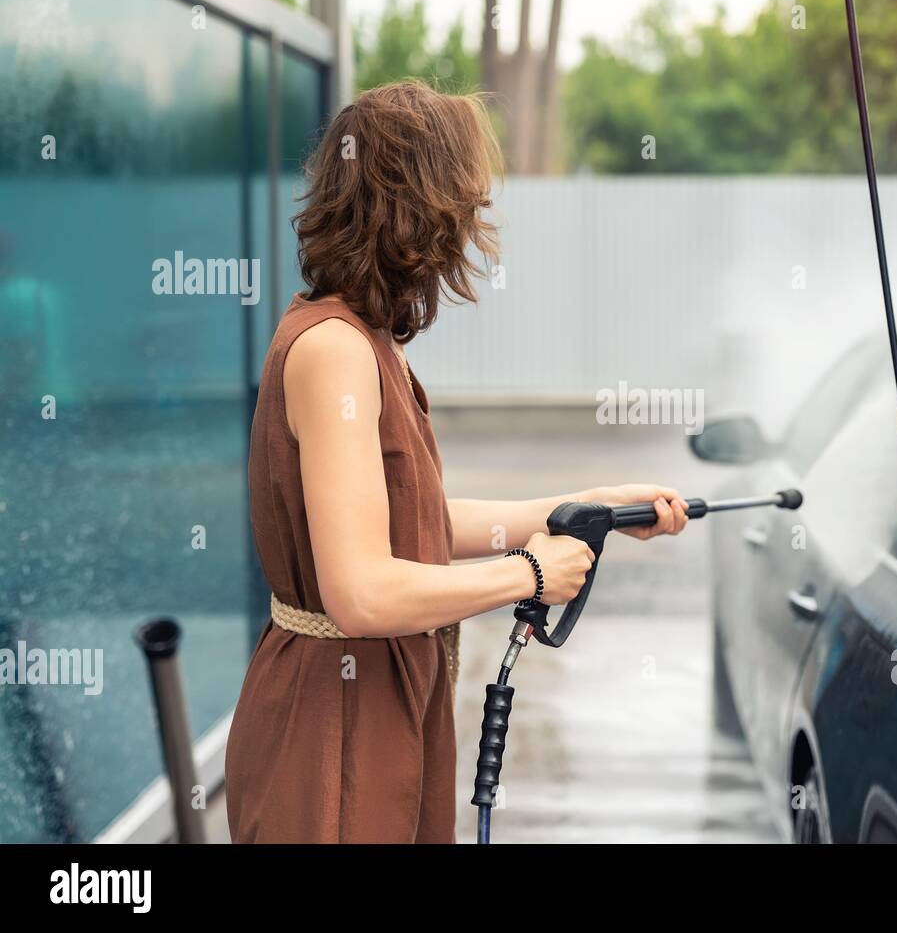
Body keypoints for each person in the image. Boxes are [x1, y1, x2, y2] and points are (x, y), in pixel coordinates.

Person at [224, 81, 688, 843]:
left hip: (372, 710)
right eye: (462, 204)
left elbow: (417, 523)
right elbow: (361, 592)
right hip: (333, 729)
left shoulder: (363, 340)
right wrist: (530, 577)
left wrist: (588, 504)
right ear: (414, 208)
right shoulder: (335, 351)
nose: (470, 228)